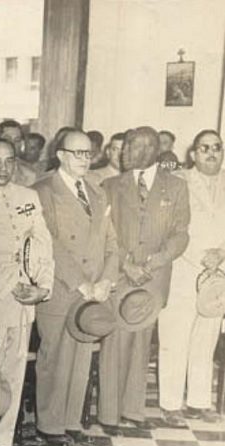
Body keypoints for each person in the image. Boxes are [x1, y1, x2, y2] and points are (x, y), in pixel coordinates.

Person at [98, 126, 190, 428]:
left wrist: (156, 261)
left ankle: (133, 410)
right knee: (115, 341)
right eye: (126, 147)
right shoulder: (110, 185)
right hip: (121, 272)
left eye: (133, 146)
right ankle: (109, 413)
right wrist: (126, 264)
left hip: (154, 277)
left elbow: (180, 234)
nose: (126, 152)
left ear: (150, 149)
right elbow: (104, 233)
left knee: (141, 343)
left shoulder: (175, 187)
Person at [0, 139, 53, 446]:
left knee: (16, 364)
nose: (3, 168)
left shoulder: (28, 196)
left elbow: (42, 242)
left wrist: (42, 286)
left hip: (24, 297)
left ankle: (1, 437)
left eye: (8, 161)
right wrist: (5, 286)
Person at [35, 128, 118, 443]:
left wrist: (106, 280)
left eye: (88, 153)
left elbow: (111, 240)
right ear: (60, 155)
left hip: (94, 290)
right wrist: (81, 283)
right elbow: (49, 243)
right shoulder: (43, 190)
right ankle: (50, 423)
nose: (85, 159)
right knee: (55, 356)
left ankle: (71, 421)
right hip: (62, 288)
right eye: (77, 153)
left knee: (81, 355)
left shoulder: (96, 191)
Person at [158, 129, 225, 425]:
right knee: (175, 337)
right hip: (184, 270)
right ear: (194, 154)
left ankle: (199, 401)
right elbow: (173, 228)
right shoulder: (179, 181)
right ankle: (170, 404)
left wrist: (219, 255)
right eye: (205, 148)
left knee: (206, 337)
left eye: (217, 147)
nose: (211, 153)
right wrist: (201, 256)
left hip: (218, 272)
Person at [0, 120, 36, 187]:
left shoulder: (30, 175)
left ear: (21, 144)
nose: (12, 144)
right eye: (7, 139)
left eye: (17, 140)